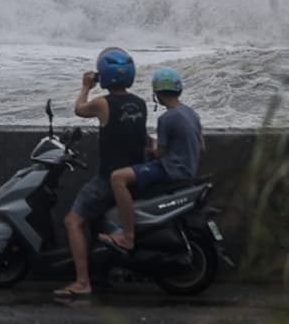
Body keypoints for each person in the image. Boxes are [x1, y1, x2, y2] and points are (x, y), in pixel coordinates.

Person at [55, 47, 148, 298]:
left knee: (72, 221)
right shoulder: (139, 103)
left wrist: (86, 85)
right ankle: (103, 271)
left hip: (108, 179)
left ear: (104, 75)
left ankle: (82, 281)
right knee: (96, 222)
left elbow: (79, 109)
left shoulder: (102, 104)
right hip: (136, 174)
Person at [98, 67, 204, 253]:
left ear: (158, 94)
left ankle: (127, 237)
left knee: (118, 178)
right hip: (189, 169)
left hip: (171, 170)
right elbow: (201, 145)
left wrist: (153, 148)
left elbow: (160, 154)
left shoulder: (167, 118)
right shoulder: (192, 114)